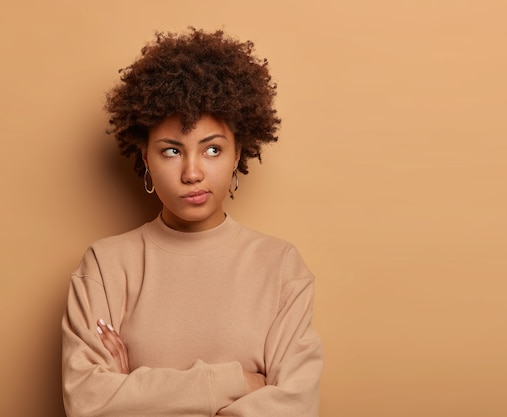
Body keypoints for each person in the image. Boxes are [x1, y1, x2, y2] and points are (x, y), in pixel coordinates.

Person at [61, 28, 323, 417]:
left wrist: (136, 392)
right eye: (171, 151)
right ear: (145, 158)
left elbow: (295, 407)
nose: (192, 173)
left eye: (212, 149)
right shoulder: (105, 265)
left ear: (238, 153)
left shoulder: (280, 265)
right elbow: (87, 401)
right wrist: (235, 383)